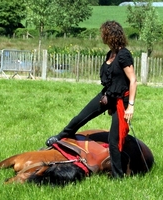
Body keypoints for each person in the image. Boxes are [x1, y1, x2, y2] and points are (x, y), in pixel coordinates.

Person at [45, 20, 137, 179]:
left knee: (113, 140)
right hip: (107, 96)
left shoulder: (124, 55)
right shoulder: (110, 53)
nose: (102, 37)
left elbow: (133, 81)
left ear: (110, 35)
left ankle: (118, 177)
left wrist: (131, 107)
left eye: (104, 34)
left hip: (121, 101)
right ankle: (60, 136)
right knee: (80, 117)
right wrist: (108, 101)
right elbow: (111, 79)